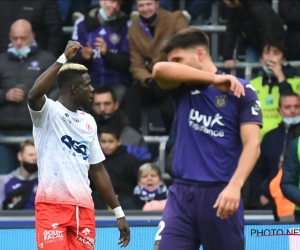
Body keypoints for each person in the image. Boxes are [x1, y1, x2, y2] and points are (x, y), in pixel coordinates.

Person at [152, 28, 262, 250]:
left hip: (221, 193)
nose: (175, 65)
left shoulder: (242, 90)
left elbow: (253, 145)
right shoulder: (181, 87)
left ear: (200, 54)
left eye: (179, 59)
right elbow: (159, 69)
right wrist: (213, 79)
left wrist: (235, 186)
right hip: (181, 195)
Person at [27, 41, 130, 250]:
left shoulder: (88, 121)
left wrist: (119, 213)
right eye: (88, 84)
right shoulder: (48, 112)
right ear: (74, 88)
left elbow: (98, 170)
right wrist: (63, 58)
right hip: (51, 206)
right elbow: (33, 94)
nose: (92, 89)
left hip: (84, 209)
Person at [0, 19, 59, 175]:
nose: (19, 43)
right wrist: (5, 95)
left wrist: (37, 99)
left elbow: (57, 92)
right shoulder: (1, 61)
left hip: (34, 132)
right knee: (4, 182)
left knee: (37, 182)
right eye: (15, 38)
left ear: (32, 36)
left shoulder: (47, 60)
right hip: (3, 133)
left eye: (23, 38)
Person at [250, 41, 300, 140]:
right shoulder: (252, 84)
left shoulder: (297, 82)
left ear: (283, 60)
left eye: (276, 53)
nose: (271, 57)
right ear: (261, 60)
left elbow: (291, 104)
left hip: (286, 139)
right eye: (267, 53)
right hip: (257, 142)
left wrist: (280, 76)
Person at [92, 125, 141, 209]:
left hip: (125, 200)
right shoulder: (94, 160)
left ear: (119, 141)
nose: (107, 145)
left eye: (111, 141)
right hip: (99, 200)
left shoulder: (130, 160)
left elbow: (137, 182)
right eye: (103, 141)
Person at [0, 139, 38, 210]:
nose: (34, 158)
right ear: (20, 156)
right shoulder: (6, 181)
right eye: (31, 155)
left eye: (37, 155)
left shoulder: (45, 182)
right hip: (13, 220)